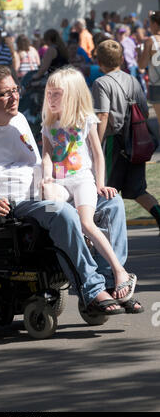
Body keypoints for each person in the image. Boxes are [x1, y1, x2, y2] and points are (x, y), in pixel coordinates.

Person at [0, 64, 142, 316]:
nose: (14, 97)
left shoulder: (18, 119)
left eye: (15, 89)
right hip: (21, 202)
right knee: (62, 212)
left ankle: (111, 281)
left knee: (112, 202)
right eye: (5, 93)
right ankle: (92, 288)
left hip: (54, 188)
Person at [41, 67, 137, 303]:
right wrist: (47, 178)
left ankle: (118, 270)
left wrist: (100, 183)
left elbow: (97, 154)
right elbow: (46, 155)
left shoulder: (86, 120)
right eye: (49, 93)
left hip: (82, 178)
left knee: (86, 221)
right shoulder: (48, 124)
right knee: (52, 202)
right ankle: (84, 255)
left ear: (73, 95)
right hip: (61, 181)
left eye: (57, 94)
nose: (51, 98)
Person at [92, 39, 160, 235]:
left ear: (99, 62)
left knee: (106, 188)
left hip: (115, 142)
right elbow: (145, 113)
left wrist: (97, 141)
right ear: (122, 58)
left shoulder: (101, 83)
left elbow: (103, 114)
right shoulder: (132, 80)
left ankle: (108, 234)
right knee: (137, 190)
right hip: (137, 142)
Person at [138, 10, 160, 128]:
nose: (149, 27)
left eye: (150, 24)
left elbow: (142, 65)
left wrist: (138, 53)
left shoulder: (151, 41)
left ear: (155, 24)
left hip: (156, 85)